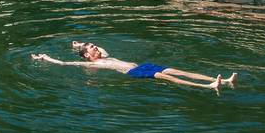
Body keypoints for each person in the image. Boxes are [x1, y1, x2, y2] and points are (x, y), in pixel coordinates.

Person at [31, 41, 237, 91]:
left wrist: (79, 43)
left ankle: (220, 80)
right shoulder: (97, 64)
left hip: (142, 65)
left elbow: (97, 47)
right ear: (88, 56)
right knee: (168, 77)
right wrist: (45, 58)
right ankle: (209, 87)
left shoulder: (104, 55)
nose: (96, 47)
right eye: (92, 47)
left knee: (176, 70)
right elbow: (66, 63)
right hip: (133, 72)